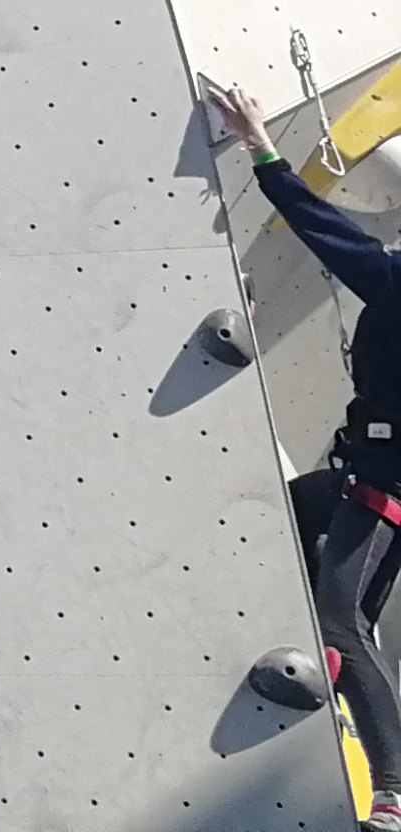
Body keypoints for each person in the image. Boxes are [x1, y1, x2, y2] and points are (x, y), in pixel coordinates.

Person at [208, 81, 401, 826]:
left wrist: (262, 149)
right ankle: (346, 710)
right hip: (365, 475)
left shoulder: (396, 284)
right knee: (282, 516)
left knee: (342, 626)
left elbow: (325, 231)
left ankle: (392, 789)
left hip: (382, 485)